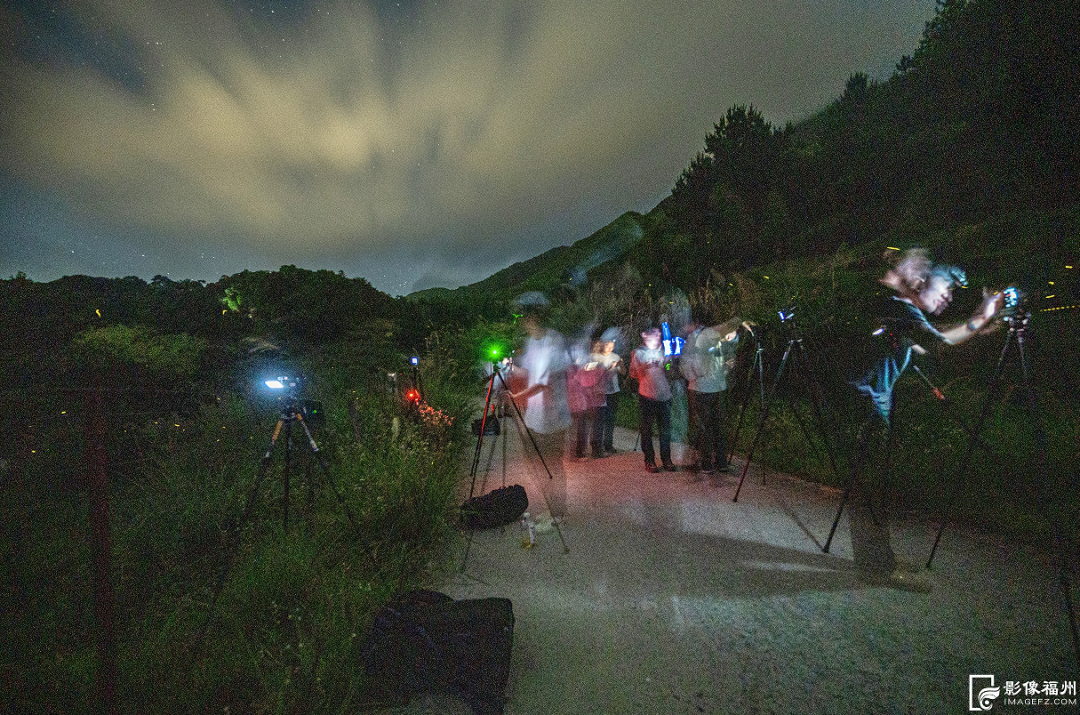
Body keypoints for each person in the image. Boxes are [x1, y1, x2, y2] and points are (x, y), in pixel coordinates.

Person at [847, 248, 1003, 590]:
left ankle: (877, 557)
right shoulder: (899, 310)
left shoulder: (900, 312)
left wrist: (976, 330)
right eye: (945, 288)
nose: (948, 297)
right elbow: (941, 343)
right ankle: (878, 567)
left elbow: (928, 343)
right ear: (920, 282)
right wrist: (982, 315)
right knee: (872, 484)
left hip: (872, 403)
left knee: (871, 483)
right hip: (866, 406)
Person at [507, 293, 571, 521]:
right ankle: (551, 509)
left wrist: (515, 396)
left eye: (524, 315)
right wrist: (509, 366)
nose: (522, 321)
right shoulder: (531, 343)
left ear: (534, 315)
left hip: (553, 418)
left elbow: (543, 383)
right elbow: (530, 373)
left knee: (551, 466)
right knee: (537, 466)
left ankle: (558, 514)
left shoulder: (554, 341)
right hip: (535, 417)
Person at [681, 319, 740, 475]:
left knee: (720, 426)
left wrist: (732, 336)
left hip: (719, 387)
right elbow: (686, 362)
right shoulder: (694, 339)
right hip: (700, 389)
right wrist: (697, 371)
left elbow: (732, 342)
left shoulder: (719, 337)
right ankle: (706, 461)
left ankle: (721, 460)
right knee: (703, 427)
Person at [629, 327, 675, 473]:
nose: (656, 339)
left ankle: (666, 459)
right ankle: (649, 460)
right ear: (645, 337)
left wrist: (667, 362)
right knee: (647, 430)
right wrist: (647, 365)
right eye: (653, 336)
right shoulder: (639, 353)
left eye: (658, 336)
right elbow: (634, 374)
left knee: (665, 431)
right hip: (647, 396)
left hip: (664, 395)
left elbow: (668, 369)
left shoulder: (663, 350)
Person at [593, 328, 625, 455]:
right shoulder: (595, 357)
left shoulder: (616, 356)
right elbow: (593, 375)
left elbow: (624, 372)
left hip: (613, 391)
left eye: (612, 346)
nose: (610, 348)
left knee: (610, 419)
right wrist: (607, 369)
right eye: (607, 345)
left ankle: (608, 444)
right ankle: (596, 446)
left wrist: (620, 366)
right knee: (599, 419)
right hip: (600, 392)